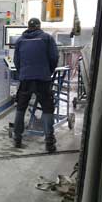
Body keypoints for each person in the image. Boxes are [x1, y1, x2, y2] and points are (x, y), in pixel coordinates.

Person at [13, 18, 59, 152]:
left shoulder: (20, 40)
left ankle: (17, 138)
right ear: (39, 26)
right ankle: (49, 142)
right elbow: (54, 57)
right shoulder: (47, 38)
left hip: (25, 79)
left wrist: (23, 73)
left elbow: (16, 61)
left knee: (21, 108)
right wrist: (49, 72)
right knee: (47, 109)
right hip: (42, 79)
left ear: (28, 27)